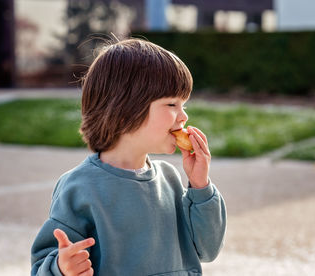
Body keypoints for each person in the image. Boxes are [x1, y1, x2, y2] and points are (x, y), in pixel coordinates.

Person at [31, 38, 227, 276]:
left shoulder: (170, 180)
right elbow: (44, 263)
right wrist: (62, 268)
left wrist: (201, 187)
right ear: (125, 111)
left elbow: (208, 249)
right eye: (172, 104)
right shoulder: (79, 187)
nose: (183, 116)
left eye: (184, 105)